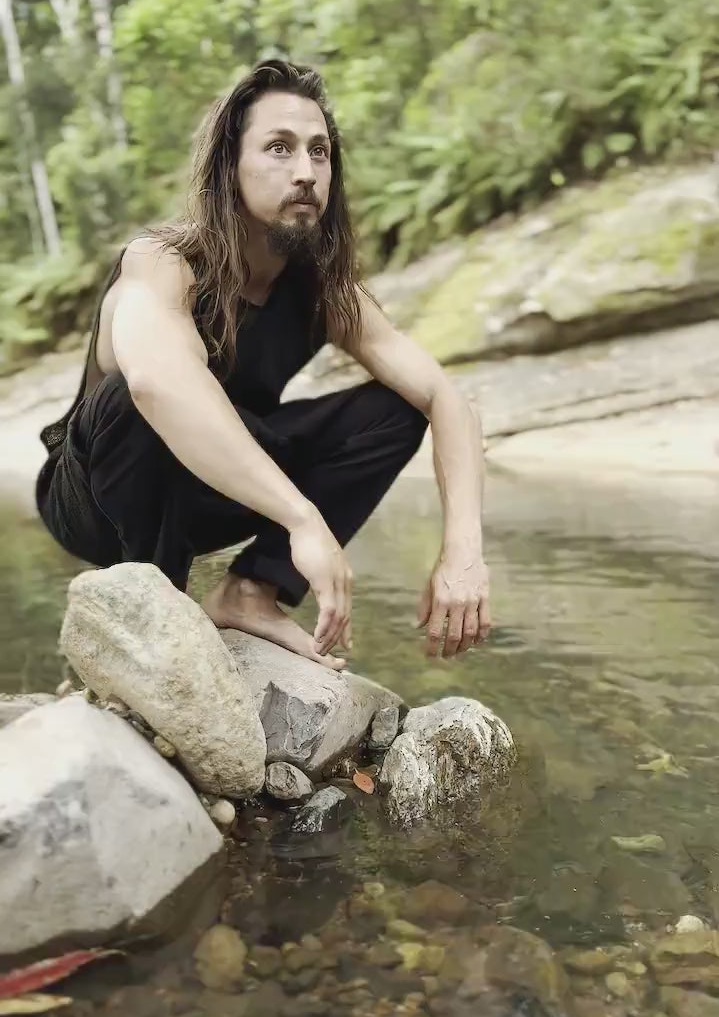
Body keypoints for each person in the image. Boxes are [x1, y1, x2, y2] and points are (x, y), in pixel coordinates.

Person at [35, 59, 490, 671]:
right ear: (230, 165)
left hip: (222, 487)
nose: (305, 172)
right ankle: (154, 609)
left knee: (396, 409)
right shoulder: (164, 261)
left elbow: (447, 398)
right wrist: (302, 518)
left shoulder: (325, 291)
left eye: (319, 152)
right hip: (93, 497)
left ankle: (250, 591)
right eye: (279, 148)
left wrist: (463, 553)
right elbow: (154, 384)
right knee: (134, 394)